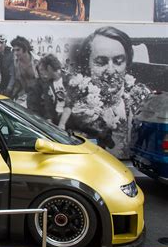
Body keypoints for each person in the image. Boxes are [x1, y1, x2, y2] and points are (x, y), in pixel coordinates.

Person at [58, 26, 151, 158]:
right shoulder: (75, 104)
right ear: (87, 65)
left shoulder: (142, 97)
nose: (111, 71)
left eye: (118, 61)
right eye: (101, 63)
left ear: (127, 63)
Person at [26, 54, 66, 123]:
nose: (43, 75)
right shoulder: (35, 86)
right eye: (40, 73)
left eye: (43, 71)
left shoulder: (61, 80)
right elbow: (33, 110)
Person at [10, 36, 39, 106]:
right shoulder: (16, 62)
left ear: (25, 49)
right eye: (14, 50)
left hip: (39, 95)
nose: (15, 53)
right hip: (25, 95)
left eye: (18, 50)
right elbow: (17, 83)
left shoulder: (37, 61)